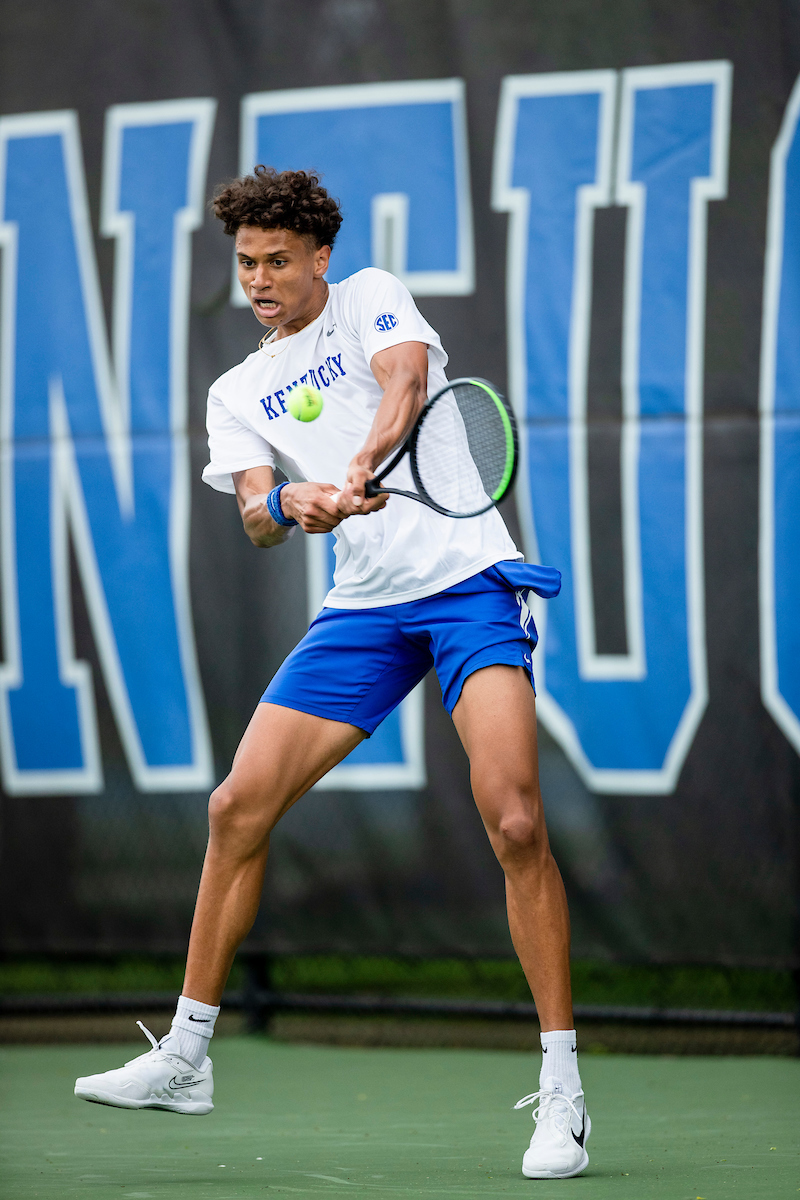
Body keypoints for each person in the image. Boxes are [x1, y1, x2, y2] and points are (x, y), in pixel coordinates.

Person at [74, 167, 589, 1180]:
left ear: (318, 257)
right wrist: (296, 504)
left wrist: (358, 462)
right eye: (244, 263)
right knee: (236, 807)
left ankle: (563, 1090)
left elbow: (401, 383)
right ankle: (185, 1055)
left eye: (276, 260)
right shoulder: (232, 392)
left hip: (465, 583)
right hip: (361, 607)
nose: (260, 279)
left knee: (516, 821)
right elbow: (257, 518)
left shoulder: (369, 297)